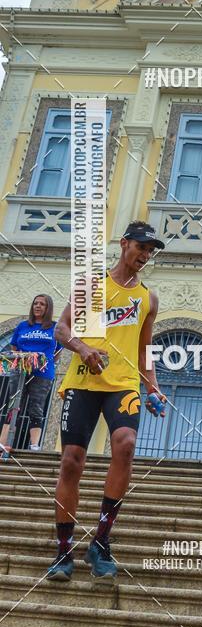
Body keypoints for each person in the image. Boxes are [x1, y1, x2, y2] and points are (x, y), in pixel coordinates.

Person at [48, 220, 167, 583]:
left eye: (150, 251)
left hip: (125, 382)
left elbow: (145, 349)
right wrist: (82, 349)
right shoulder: (91, 284)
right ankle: (64, 550)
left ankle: (100, 542)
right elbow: (62, 328)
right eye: (141, 247)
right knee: (71, 462)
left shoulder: (148, 298)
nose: (145, 255)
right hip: (84, 381)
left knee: (126, 445)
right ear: (124, 244)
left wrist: (153, 386)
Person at [0, 294, 62, 455]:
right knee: (13, 405)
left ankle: (34, 446)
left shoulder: (55, 327)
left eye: (42, 304)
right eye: (35, 303)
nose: (38, 306)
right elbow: (14, 348)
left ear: (48, 308)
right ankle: (3, 443)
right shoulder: (22, 326)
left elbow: (57, 353)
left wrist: (41, 361)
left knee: (36, 407)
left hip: (42, 374)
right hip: (20, 371)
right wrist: (25, 360)